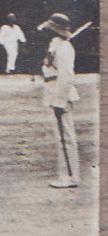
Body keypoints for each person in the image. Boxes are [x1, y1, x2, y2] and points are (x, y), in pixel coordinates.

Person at [38, 13, 82, 189]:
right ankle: (65, 174)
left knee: (66, 138)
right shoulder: (55, 45)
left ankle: (71, 177)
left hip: (60, 95)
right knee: (61, 137)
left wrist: (60, 101)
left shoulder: (64, 48)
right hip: (53, 92)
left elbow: (66, 76)